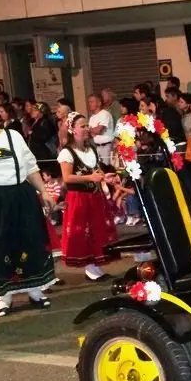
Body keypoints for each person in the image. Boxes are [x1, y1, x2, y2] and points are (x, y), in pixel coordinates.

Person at [0, 95, 56, 317]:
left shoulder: (13, 136)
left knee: (30, 241)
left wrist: (44, 192)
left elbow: (31, 167)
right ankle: (3, 298)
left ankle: (35, 291)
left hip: (21, 197)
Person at [58, 112, 118, 281]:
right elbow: (67, 178)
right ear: (73, 130)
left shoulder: (91, 149)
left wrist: (104, 177)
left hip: (95, 196)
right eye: (82, 126)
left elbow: (96, 171)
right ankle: (90, 269)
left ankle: (95, 267)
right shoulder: (67, 153)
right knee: (83, 233)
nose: (86, 129)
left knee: (97, 231)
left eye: (87, 125)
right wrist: (90, 178)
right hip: (79, 198)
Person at [27, 102, 60, 178]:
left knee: (45, 174)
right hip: (38, 154)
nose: (32, 112)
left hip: (44, 154)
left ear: (41, 112)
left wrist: (32, 133)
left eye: (35, 110)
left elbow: (44, 136)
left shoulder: (44, 122)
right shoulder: (36, 122)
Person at [87, 93, 115, 165]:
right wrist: (92, 130)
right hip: (96, 146)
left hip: (106, 147)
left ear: (99, 103)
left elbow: (99, 130)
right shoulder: (92, 117)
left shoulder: (105, 114)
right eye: (89, 102)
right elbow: (89, 134)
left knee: (106, 168)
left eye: (92, 102)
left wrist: (90, 129)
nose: (89, 104)